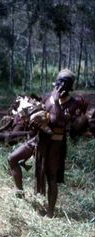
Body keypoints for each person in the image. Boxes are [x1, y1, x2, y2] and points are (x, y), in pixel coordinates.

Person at [35, 69, 84, 218]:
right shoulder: (47, 97)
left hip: (56, 144)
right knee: (40, 171)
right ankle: (36, 202)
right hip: (42, 141)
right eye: (60, 83)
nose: (61, 87)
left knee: (52, 176)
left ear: (70, 87)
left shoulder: (73, 103)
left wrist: (56, 102)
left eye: (66, 84)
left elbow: (60, 121)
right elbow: (42, 115)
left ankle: (50, 213)